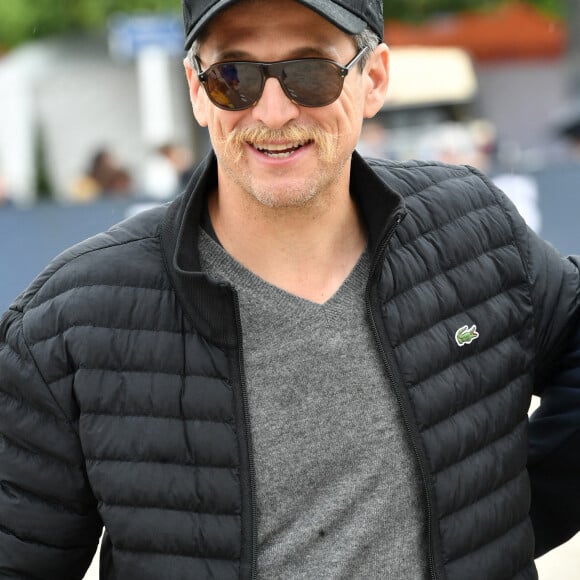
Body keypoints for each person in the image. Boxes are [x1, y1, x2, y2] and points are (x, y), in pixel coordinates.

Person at [0, 1, 579, 579]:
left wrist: (490, 520)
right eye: (234, 78)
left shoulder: (472, 231)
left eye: (310, 73)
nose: (273, 112)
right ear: (197, 91)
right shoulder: (70, 324)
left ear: (373, 78)